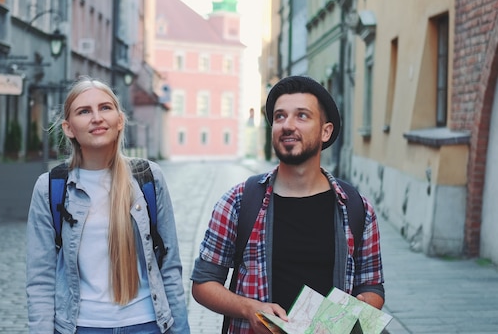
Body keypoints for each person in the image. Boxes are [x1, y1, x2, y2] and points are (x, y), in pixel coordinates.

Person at [191, 75, 385, 333]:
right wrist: (249, 308)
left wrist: (356, 311)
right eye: (280, 117)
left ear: (325, 131)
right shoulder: (238, 202)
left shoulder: (356, 208)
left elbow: (372, 286)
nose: (287, 125)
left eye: (302, 116)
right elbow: (203, 283)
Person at [26, 77, 190, 334]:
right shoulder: (50, 188)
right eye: (84, 111)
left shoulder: (149, 179)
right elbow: (40, 279)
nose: (96, 117)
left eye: (105, 108)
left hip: (146, 324)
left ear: (119, 120)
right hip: (81, 326)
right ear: (69, 128)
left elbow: (169, 266)